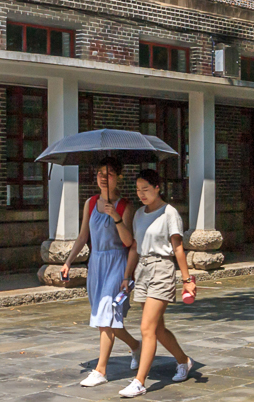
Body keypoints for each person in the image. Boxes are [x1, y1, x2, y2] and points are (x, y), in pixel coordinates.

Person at [61, 158, 141, 388]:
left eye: (109, 174)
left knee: (106, 314)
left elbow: (129, 242)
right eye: (100, 173)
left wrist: (115, 216)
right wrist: (68, 261)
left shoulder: (125, 206)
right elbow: (83, 236)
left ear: (119, 177)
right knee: (106, 320)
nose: (104, 178)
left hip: (117, 263)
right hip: (96, 264)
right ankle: (136, 346)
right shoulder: (90, 203)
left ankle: (100, 370)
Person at [118, 169, 195, 397]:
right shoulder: (139, 214)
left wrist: (187, 280)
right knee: (157, 329)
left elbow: (178, 247)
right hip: (142, 270)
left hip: (162, 269)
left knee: (146, 328)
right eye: (138, 190)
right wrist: (127, 275)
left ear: (157, 188)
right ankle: (184, 361)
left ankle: (139, 382)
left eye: (146, 189)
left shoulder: (169, 213)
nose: (141, 194)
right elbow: (134, 246)